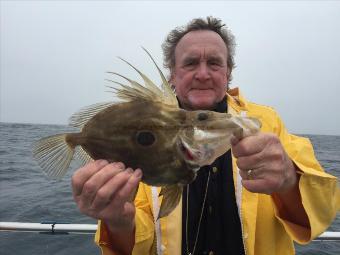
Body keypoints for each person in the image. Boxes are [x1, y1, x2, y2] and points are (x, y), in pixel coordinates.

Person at [71, 17, 339, 255]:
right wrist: (118, 221)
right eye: (190, 63)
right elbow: (139, 236)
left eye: (214, 63)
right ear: (173, 75)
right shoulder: (146, 129)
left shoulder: (265, 123)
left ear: (228, 72)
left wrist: (289, 180)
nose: (202, 74)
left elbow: (324, 209)